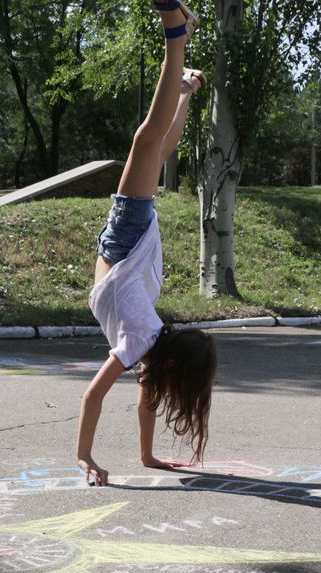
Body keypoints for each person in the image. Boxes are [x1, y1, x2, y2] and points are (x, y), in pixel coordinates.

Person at [76, 0, 216, 486]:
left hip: (131, 246)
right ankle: (176, 36)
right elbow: (92, 395)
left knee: (157, 146)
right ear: (172, 365)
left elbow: (145, 399)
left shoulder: (152, 347)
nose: (156, 390)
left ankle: (187, 86)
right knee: (147, 139)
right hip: (127, 242)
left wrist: (148, 458)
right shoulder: (142, 342)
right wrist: (84, 456)